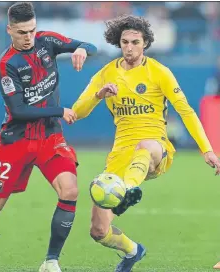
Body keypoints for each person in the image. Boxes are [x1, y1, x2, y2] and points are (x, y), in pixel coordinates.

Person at [0, 2, 97, 272]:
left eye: (31, 30)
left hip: (50, 138)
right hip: (16, 141)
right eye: (22, 33)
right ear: (9, 30)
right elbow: (18, 110)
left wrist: (81, 48)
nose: (28, 37)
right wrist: (60, 110)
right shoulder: (6, 65)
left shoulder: (47, 41)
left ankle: (51, 261)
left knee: (70, 190)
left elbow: (92, 45)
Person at [72, 14, 220, 272]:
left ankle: (128, 191)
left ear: (146, 43)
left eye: (135, 42)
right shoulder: (107, 74)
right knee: (98, 231)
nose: (129, 47)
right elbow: (77, 112)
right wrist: (99, 94)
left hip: (156, 148)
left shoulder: (159, 72)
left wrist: (206, 149)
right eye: (124, 42)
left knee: (146, 146)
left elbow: (185, 111)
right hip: (120, 154)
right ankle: (132, 251)